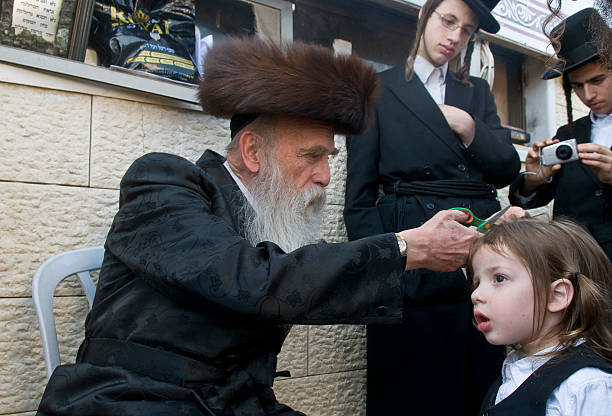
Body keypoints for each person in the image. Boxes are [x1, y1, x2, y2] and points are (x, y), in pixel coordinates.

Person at [35, 37, 487, 415]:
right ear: (252, 151)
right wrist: (406, 247)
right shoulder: (161, 182)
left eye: (328, 158)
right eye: (311, 156)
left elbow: (312, 277)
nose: (326, 176)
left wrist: (472, 255)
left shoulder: (270, 220)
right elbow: (247, 278)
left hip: (233, 403)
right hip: (131, 400)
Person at [343, 0, 520, 414]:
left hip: (479, 252)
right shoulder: (376, 87)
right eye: (448, 21)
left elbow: (508, 168)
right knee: (415, 388)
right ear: (424, 16)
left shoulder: (475, 92)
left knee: (480, 381)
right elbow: (360, 199)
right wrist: (385, 269)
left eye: (467, 31)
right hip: (415, 258)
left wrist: (468, 125)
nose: (455, 37)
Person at [468, 218, 612, 415]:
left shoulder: (585, 385)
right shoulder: (515, 369)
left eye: (499, 278)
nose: (476, 295)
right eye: (477, 282)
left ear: (556, 296)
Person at [509, 8, 612, 262]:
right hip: (575, 266)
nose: (588, 95)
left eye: (597, 80)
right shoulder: (568, 134)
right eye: (577, 85)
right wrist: (535, 177)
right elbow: (528, 200)